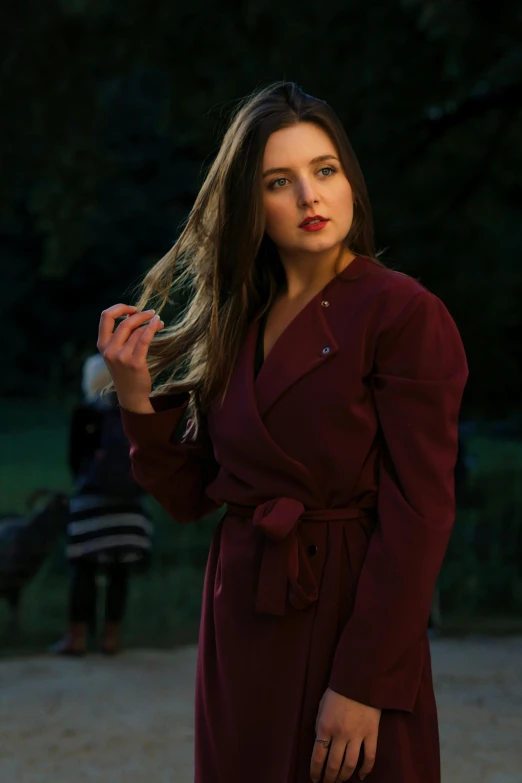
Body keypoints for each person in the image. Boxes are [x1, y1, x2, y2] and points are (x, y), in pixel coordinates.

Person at [97, 83, 468, 783]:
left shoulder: (405, 314)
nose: (310, 196)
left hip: (350, 616)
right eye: (279, 180)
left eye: (324, 170)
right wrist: (135, 394)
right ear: (250, 204)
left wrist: (364, 682)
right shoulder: (238, 317)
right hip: (242, 619)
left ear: (349, 177)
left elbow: (420, 516)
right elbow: (189, 496)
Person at [51, 354, 152, 656]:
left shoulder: (85, 412)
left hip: (91, 505)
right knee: (119, 571)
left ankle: (77, 638)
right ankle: (111, 639)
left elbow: (74, 461)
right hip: (131, 508)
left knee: (84, 568)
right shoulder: (131, 411)